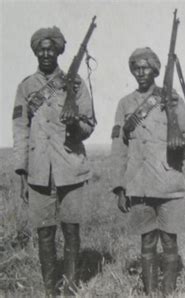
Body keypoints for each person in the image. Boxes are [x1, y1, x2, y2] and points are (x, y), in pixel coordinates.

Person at [12, 26, 95, 296]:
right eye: (41, 48)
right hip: (38, 171)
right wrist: (22, 172)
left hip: (70, 166)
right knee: (44, 233)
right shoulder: (25, 87)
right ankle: (50, 289)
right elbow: (20, 130)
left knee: (71, 228)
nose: (46, 52)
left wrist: (74, 125)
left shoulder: (76, 83)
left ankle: (70, 287)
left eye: (51, 48)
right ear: (36, 51)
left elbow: (89, 125)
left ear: (59, 50)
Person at [110, 47, 185, 296]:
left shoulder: (172, 99)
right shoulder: (124, 104)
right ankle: (150, 293)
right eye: (136, 67)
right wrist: (120, 187)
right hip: (139, 185)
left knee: (169, 242)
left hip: (169, 183)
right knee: (147, 242)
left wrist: (181, 139)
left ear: (156, 69)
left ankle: (168, 292)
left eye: (145, 67)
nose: (140, 72)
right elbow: (119, 148)